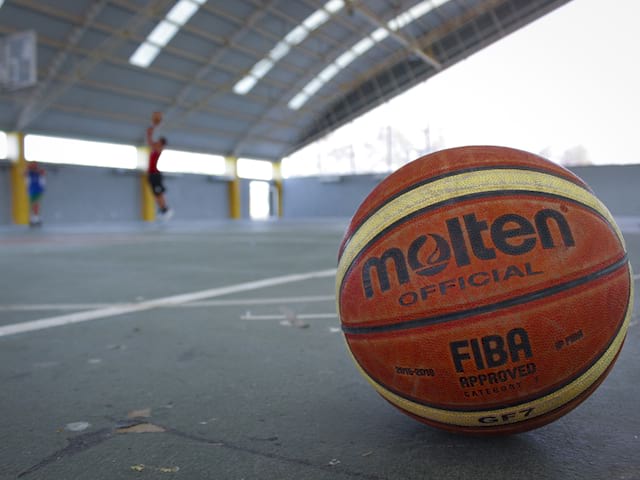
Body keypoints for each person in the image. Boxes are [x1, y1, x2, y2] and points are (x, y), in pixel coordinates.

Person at [146, 116, 173, 220]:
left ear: (161, 144)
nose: (156, 142)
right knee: (156, 194)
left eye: (158, 142)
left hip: (155, 174)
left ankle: (166, 209)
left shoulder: (158, 150)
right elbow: (150, 140)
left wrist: (153, 128)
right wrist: (151, 130)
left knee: (159, 193)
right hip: (151, 175)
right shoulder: (155, 148)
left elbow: (150, 141)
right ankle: (163, 209)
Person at [25, 161, 46, 226]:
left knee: (36, 204)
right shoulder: (29, 172)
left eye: (34, 165)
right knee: (33, 205)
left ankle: (36, 218)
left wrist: (35, 170)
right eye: (32, 165)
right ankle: (34, 218)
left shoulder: (39, 172)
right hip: (31, 190)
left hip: (38, 190)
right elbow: (24, 173)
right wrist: (29, 168)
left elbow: (43, 173)